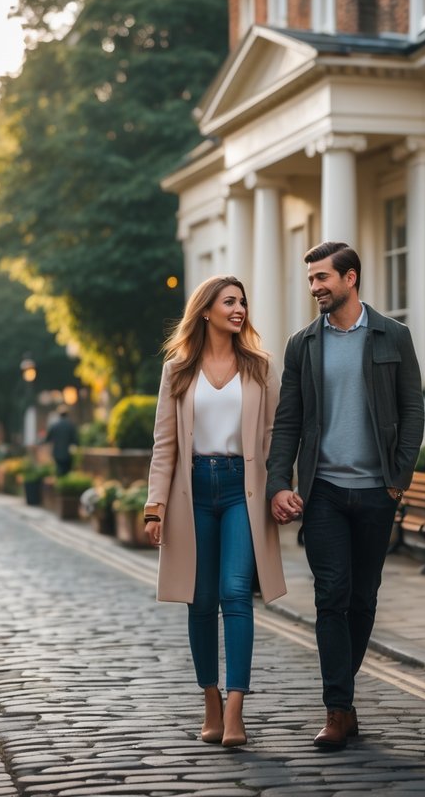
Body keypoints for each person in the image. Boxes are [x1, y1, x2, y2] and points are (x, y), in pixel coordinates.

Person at [267, 241, 424, 750]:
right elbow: (288, 420)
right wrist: (278, 482)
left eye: (322, 278)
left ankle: (343, 693)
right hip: (325, 492)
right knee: (331, 596)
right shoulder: (303, 344)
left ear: (350, 278)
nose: (315, 287)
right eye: (311, 279)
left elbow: (412, 410)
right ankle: (338, 708)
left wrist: (398, 476)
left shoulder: (392, 336)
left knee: (363, 598)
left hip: (377, 491)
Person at [144, 275, 286, 749]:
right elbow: (165, 444)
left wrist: (280, 489)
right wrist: (154, 506)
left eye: (243, 301)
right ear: (206, 310)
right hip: (193, 491)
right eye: (230, 301)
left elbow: (273, 439)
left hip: (241, 491)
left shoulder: (260, 367)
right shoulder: (178, 369)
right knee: (200, 599)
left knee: (235, 593)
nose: (240, 308)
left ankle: (236, 709)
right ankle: (210, 699)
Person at [43, 407, 79, 476]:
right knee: (67, 472)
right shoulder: (71, 425)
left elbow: (47, 439)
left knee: (59, 472)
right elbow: (76, 440)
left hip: (57, 454)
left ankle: (60, 484)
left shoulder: (54, 426)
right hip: (68, 454)